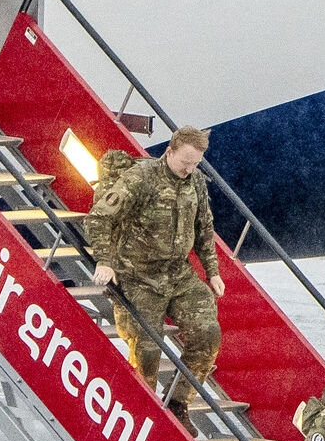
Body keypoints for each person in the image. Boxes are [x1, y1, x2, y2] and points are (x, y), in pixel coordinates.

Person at [85, 128, 224, 414]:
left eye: (196, 163)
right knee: (148, 348)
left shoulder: (195, 181)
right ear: (170, 151)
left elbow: (204, 229)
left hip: (178, 274)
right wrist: (105, 261)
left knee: (208, 334)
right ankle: (143, 411)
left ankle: (178, 402)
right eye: (185, 161)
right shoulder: (141, 178)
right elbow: (98, 218)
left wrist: (212, 271)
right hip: (138, 275)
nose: (189, 168)